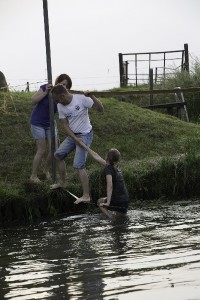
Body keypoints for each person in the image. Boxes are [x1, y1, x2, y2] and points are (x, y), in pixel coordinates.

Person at [50, 84, 104, 204]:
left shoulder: (81, 98)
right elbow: (64, 124)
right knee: (58, 155)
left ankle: (86, 196)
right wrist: (74, 138)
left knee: (78, 165)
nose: (56, 102)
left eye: (56, 99)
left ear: (62, 96)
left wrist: (93, 96)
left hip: (85, 135)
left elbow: (100, 109)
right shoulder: (60, 105)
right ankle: (63, 182)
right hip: (73, 135)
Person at [30, 74, 72, 183]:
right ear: (57, 82)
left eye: (66, 86)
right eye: (62, 84)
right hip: (38, 122)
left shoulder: (63, 97)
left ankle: (46, 170)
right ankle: (33, 176)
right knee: (42, 149)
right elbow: (33, 100)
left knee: (54, 148)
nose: (64, 87)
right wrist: (45, 93)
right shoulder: (46, 88)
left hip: (50, 124)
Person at [79, 143, 129, 219]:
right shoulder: (116, 167)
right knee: (119, 214)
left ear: (107, 157)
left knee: (100, 202)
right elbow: (97, 157)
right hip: (125, 200)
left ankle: (111, 218)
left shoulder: (108, 169)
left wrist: (108, 202)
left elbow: (110, 185)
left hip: (117, 200)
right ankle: (111, 216)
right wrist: (86, 147)